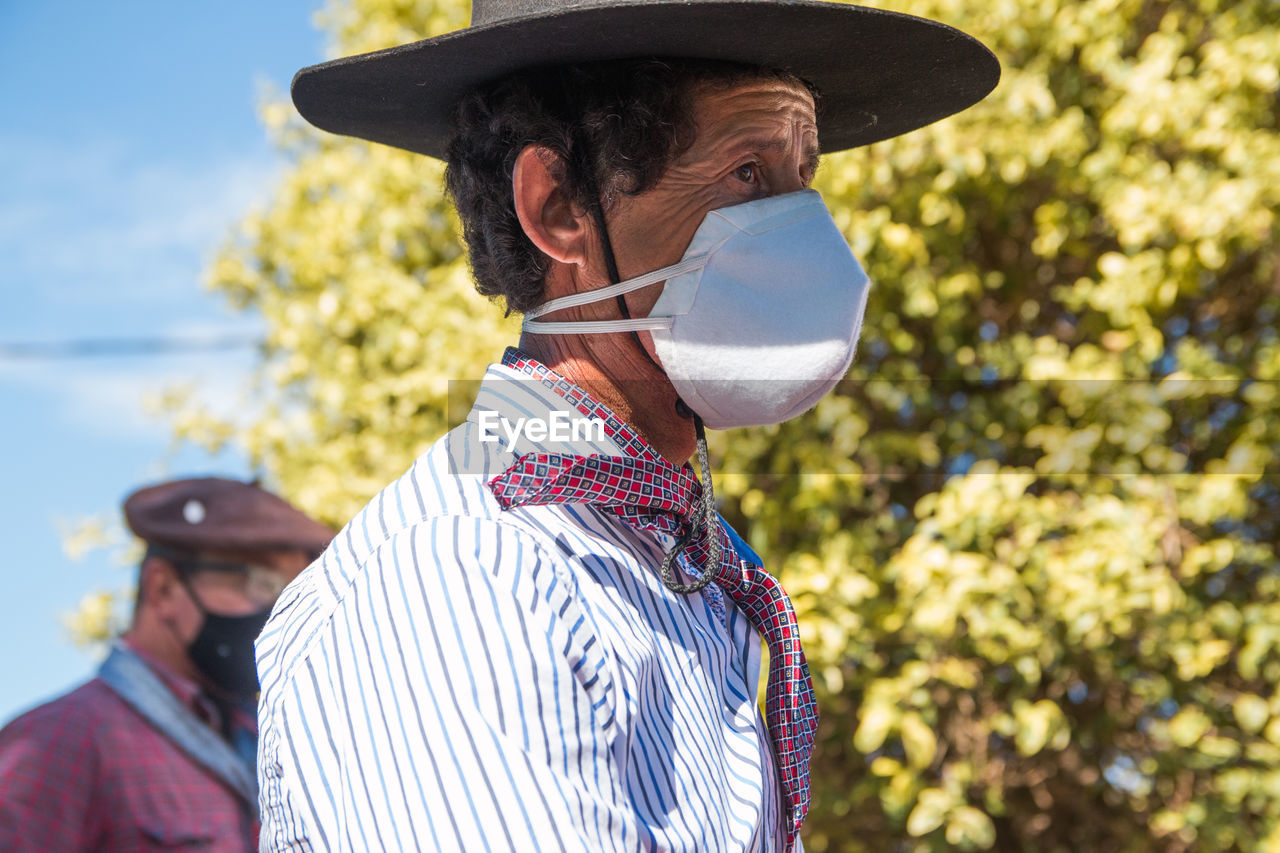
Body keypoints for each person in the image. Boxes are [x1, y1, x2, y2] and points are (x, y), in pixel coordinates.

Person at [260, 0, 1000, 849]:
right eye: (747, 174)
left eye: (806, 175)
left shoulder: (670, 562)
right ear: (559, 206)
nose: (805, 231)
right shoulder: (468, 573)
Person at [0, 477, 332, 852]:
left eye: (288, 594)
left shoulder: (272, 738)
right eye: (259, 584)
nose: (276, 613)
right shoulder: (59, 740)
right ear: (164, 589)